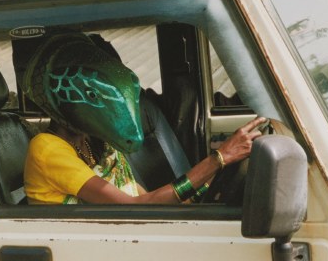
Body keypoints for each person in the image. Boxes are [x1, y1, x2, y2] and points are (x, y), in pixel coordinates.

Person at [21, 31, 266, 205]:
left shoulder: (99, 143)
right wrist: (219, 159)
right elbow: (132, 207)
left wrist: (218, 174)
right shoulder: (46, 149)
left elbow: (143, 202)